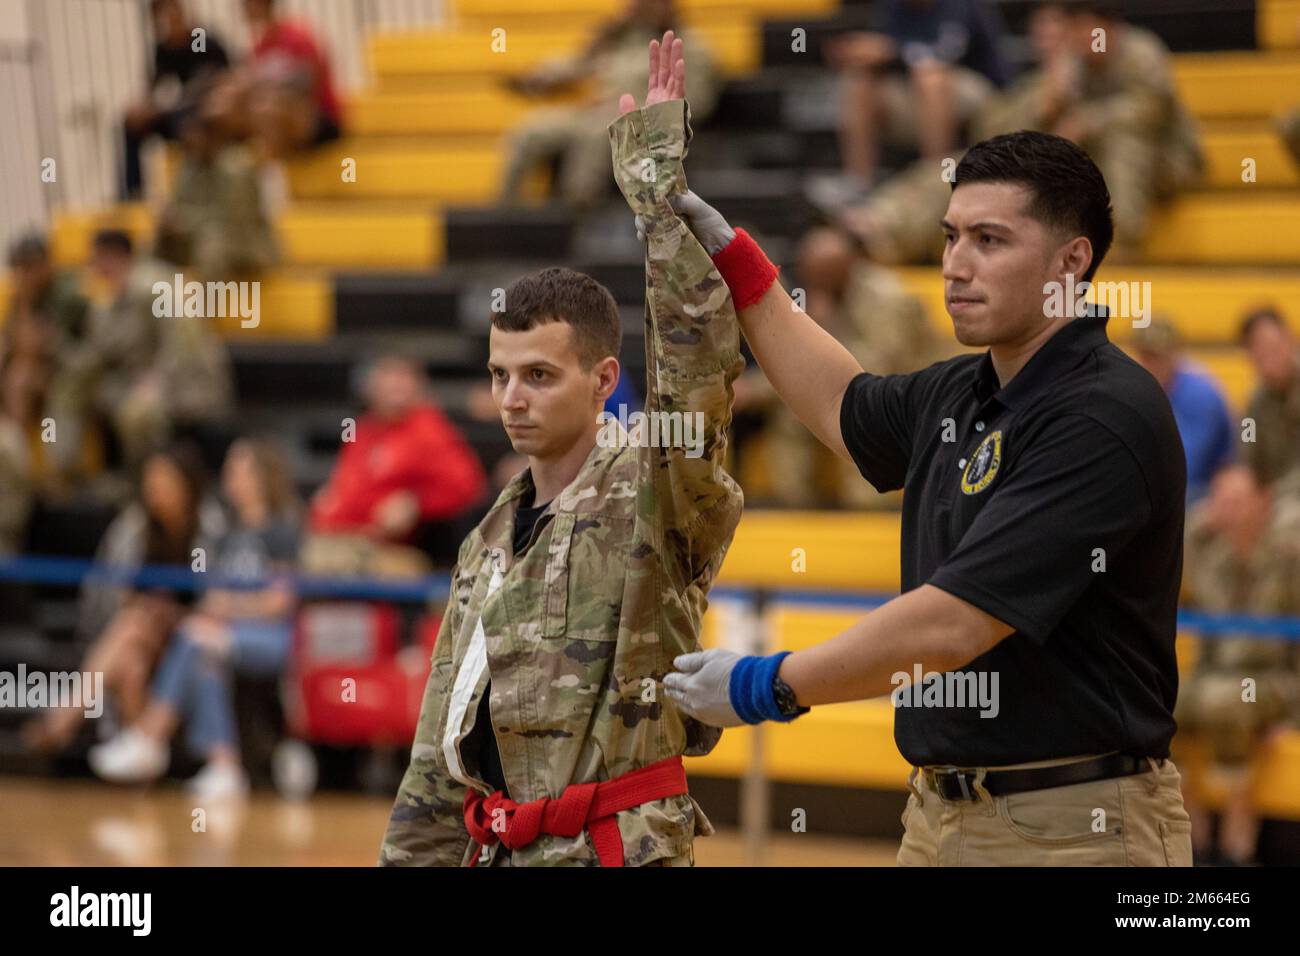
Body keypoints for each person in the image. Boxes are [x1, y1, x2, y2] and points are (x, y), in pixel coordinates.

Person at [656, 108, 1193, 863]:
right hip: (937, 817)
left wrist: (765, 684)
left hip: (1078, 829)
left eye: (989, 240)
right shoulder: (962, 390)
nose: (955, 264)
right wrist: (734, 259)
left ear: (1071, 262)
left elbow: (953, 626)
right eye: (950, 237)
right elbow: (838, 403)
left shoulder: (1102, 414)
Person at [380, 32, 743, 866]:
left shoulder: (654, 490)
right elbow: (438, 754)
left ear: (602, 378)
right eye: (500, 375)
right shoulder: (485, 539)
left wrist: (657, 194)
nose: (512, 397)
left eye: (539, 375)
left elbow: (697, 376)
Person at [86, 438, 302, 799]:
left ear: (260, 477)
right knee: (203, 655)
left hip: (271, 638)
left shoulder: (280, 531)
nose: (229, 477)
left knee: (195, 638)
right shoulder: (227, 534)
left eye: (238, 470)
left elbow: (279, 602)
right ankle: (224, 765)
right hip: (227, 633)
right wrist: (216, 610)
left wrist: (229, 609)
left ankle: (150, 737)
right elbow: (212, 595)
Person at [22, 443, 225, 754]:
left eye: (164, 481)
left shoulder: (209, 529)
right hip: (139, 633)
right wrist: (142, 606)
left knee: (133, 629)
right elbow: (108, 590)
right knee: (132, 664)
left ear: (185, 485)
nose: (155, 490)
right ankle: (142, 761)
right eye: (151, 481)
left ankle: (60, 722)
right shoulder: (134, 526)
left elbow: (215, 600)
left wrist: (172, 613)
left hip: (189, 635)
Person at [1176, 466, 1300, 865]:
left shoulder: (1289, 557)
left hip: (1276, 680)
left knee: (1226, 699)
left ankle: (1236, 829)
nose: (1226, 510)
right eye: (1220, 501)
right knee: (1163, 702)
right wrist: (1200, 526)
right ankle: (1191, 825)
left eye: (1236, 501)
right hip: (1218, 678)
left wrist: (1294, 716)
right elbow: (1174, 560)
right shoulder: (1213, 557)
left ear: (1263, 504)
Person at [498, 0, 719, 208]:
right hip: (594, 112)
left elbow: (696, 102)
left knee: (596, 134)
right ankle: (506, 211)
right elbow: (577, 64)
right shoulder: (617, 38)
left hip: (639, 122)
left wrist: (642, 110)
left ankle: (575, 210)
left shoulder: (687, 46)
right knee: (530, 131)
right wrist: (537, 79)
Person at [304, 355, 486, 575]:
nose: (395, 385)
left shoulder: (430, 429)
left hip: (392, 547)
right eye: (388, 376)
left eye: (403, 377)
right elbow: (345, 482)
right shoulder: (358, 428)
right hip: (345, 535)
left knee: (322, 560)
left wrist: (417, 502)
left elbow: (468, 486)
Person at [821, 0, 1011, 201]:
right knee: (860, 80)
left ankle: (935, 183)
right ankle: (859, 183)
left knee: (930, 77)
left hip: (980, 91)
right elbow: (884, 53)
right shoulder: (893, 7)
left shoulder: (962, 5)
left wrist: (891, 50)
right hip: (915, 92)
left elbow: (943, 53)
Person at [120, 0, 231, 200]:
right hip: (177, 113)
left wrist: (167, 105)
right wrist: (142, 108)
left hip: (204, 112)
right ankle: (132, 194)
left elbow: (205, 80)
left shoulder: (198, 38)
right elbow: (155, 85)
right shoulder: (164, 48)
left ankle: (195, 195)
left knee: (187, 122)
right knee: (131, 124)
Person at [1130, 318, 1235, 505]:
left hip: (1205, 489)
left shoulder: (1200, 394)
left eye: (1156, 357)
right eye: (1145, 356)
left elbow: (1188, 466)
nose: (1149, 365)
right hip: (1169, 487)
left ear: (1174, 355)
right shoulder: (1140, 390)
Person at [1238, 307, 1300, 492]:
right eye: (1259, 348)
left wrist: (1272, 494)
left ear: (1290, 340)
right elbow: (1248, 453)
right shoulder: (1254, 405)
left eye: (1273, 346)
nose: (1268, 356)